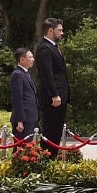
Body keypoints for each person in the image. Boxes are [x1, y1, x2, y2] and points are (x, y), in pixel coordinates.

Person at [35, 17, 69, 156]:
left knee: (56, 131)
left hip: (60, 96)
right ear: (50, 30)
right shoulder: (44, 48)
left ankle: (52, 160)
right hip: (53, 98)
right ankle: (46, 162)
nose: (62, 33)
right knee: (50, 131)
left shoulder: (53, 47)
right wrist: (54, 94)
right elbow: (47, 74)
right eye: (59, 30)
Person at [10, 47, 39, 141]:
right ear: (22, 59)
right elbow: (17, 98)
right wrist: (19, 120)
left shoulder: (25, 73)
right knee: (21, 149)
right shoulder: (17, 74)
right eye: (30, 57)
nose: (33, 59)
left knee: (28, 149)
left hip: (30, 117)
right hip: (23, 118)